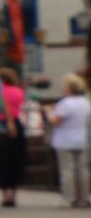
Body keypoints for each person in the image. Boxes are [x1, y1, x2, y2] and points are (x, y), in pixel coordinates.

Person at [47, 75, 90, 208]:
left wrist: (48, 112)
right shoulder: (85, 102)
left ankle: (69, 198)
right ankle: (84, 198)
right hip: (81, 139)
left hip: (65, 140)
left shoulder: (65, 103)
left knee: (67, 170)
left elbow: (56, 120)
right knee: (83, 170)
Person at [0, 65, 27, 208]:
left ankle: (4, 193)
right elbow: (21, 106)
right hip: (16, 123)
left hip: (0, 123)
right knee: (16, 159)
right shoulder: (18, 91)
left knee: (2, 159)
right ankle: (12, 193)